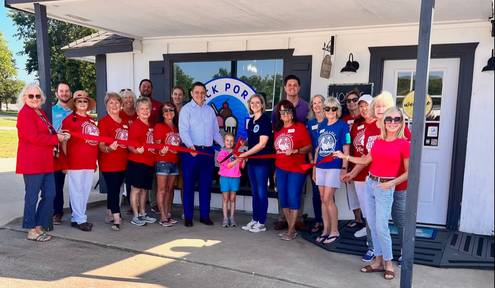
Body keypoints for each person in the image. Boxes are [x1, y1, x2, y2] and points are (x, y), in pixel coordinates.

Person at [334, 106, 410, 281]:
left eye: (396, 119)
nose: (392, 122)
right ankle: (377, 261)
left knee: (382, 226)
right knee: (373, 224)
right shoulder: (378, 141)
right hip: (370, 183)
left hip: (385, 186)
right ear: (384, 122)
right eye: (389, 119)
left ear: (401, 123)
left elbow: (409, 172)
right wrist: (344, 157)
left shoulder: (403, 144)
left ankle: (388, 263)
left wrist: (390, 183)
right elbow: (365, 160)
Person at [360, 91, 411, 262]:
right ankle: (374, 248)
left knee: (398, 218)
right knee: (373, 219)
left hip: (398, 185)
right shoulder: (370, 128)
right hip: (376, 182)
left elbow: (408, 161)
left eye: (384, 106)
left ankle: (405, 250)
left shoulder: (402, 131)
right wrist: (351, 171)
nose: (381, 109)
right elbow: (367, 158)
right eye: (378, 106)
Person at [16, 83, 68, 241]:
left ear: (42, 98)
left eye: (37, 96)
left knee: (50, 194)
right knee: (32, 196)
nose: (34, 99)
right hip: (32, 163)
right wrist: (55, 138)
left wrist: (58, 134)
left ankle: (39, 225)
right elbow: (33, 137)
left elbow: (47, 131)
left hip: (45, 161)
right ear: (24, 97)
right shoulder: (25, 114)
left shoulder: (41, 112)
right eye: (30, 96)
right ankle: (31, 229)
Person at [179, 81, 224, 227]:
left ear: (205, 94)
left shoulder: (210, 110)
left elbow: (216, 132)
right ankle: (188, 217)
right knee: (189, 186)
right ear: (191, 93)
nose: (200, 95)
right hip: (191, 152)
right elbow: (183, 131)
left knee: (206, 186)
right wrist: (191, 148)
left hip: (207, 153)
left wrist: (225, 147)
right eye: (197, 92)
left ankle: (205, 215)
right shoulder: (186, 110)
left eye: (202, 92)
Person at [272, 74, 310, 231]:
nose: (292, 87)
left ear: (299, 88)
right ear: (285, 88)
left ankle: (297, 220)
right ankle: (284, 220)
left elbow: (309, 141)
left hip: (298, 162)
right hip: (281, 164)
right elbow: (276, 133)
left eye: (295, 85)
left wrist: (298, 151)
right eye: (289, 85)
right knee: (283, 193)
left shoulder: (306, 107)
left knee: (296, 192)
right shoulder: (277, 110)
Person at [313, 97, 350, 245]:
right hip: (321, 166)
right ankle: (326, 229)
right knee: (323, 198)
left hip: (334, 166)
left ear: (338, 110)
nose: (330, 111)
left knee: (328, 198)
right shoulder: (321, 125)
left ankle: (335, 230)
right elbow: (318, 149)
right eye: (327, 108)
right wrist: (314, 168)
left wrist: (344, 168)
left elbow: (346, 149)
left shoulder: (343, 126)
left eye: (333, 109)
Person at [61, 90, 98, 232]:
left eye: (85, 101)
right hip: (75, 161)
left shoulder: (90, 121)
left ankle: (78, 217)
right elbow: (63, 142)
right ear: (75, 104)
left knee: (85, 191)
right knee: (76, 190)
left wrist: (94, 161)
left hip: (89, 161)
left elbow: (93, 142)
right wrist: (65, 161)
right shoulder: (69, 120)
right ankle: (80, 219)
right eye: (79, 101)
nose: (82, 103)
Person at [238, 94, 273, 233]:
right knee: (254, 192)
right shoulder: (252, 121)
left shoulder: (265, 120)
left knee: (261, 191)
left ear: (262, 104)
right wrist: (244, 143)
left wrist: (244, 155)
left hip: (262, 162)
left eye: (258, 102)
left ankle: (261, 222)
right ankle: (255, 218)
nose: (255, 104)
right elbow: (253, 139)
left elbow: (262, 144)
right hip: (252, 161)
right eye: (252, 103)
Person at [342, 94, 375, 240]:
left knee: (374, 207)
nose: (363, 108)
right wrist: (350, 169)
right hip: (359, 173)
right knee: (364, 205)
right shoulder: (357, 124)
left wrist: (353, 171)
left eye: (366, 105)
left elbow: (368, 156)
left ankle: (375, 236)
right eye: (361, 106)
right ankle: (368, 229)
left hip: (374, 173)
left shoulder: (379, 124)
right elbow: (354, 149)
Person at [98, 92, 129, 231]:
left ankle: (109, 213)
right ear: (106, 106)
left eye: (117, 102)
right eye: (111, 103)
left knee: (115, 189)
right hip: (109, 162)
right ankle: (117, 218)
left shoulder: (124, 122)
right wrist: (109, 149)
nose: (114, 105)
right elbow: (101, 145)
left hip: (123, 161)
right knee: (114, 189)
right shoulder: (103, 122)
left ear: (121, 105)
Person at [126, 97, 157, 226]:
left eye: (147, 109)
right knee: (136, 189)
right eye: (142, 109)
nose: (145, 111)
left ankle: (143, 213)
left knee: (144, 190)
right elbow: (129, 145)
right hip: (137, 162)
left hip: (148, 162)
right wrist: (135, 151)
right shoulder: (135, 126)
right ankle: (135, 216)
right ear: (137, 112)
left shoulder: (150, 126)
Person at [154, 102, 181, 227]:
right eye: (165, 110)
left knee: (170, 190)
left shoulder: (176, 127)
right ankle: (163, 216)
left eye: (171, 109)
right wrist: (161, 150)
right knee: (162, 189)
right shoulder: (159, 126)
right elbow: (157, 146)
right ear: (162, 113)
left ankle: (168, 214)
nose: (169, 112)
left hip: (174, 162)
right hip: (163, 162)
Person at [340, 90, 364, 229]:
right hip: (349, 159)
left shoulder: (365, 117)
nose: (351, 103)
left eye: (354, 100)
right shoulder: (344, 120)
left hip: (364, 160)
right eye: (348, 101)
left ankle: (368, 222)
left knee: (365, 194)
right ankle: (358, 219)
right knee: (352, 192)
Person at [51, 82, 72, 225]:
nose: (64, 93)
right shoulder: (50, 111)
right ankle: (57, 212)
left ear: (70, 93)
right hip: (57, 153)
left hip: (75, 152)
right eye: (61, 91)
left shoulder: (75, 111)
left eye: (66, 91)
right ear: (57, 93)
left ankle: (76, 212)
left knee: (76, 185)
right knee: (57, 184)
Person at [306, 94, 326, 234]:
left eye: (320, 102)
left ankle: (328, 222)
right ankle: (319, 220)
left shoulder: (330, 121)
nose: (317, 105)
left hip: (329, 163)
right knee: (316, 194)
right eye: (314, 103)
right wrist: (311, 161)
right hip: (314, 164)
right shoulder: (310, 123)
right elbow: (308, 145)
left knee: (327, 195)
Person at [217, 133, 245, 227]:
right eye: (227, 140)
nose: (229, 142)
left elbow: (243, 166)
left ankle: (232, 218)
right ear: (224, 141)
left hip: (235, 177)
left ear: (234, 142)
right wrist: (238, 159)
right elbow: (228, 165)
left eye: (232, 141)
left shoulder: (237, 152)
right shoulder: (222, 153)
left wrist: (243, 157)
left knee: (232, 199)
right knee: (225, 199)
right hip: (225, 178)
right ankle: (225, 218)